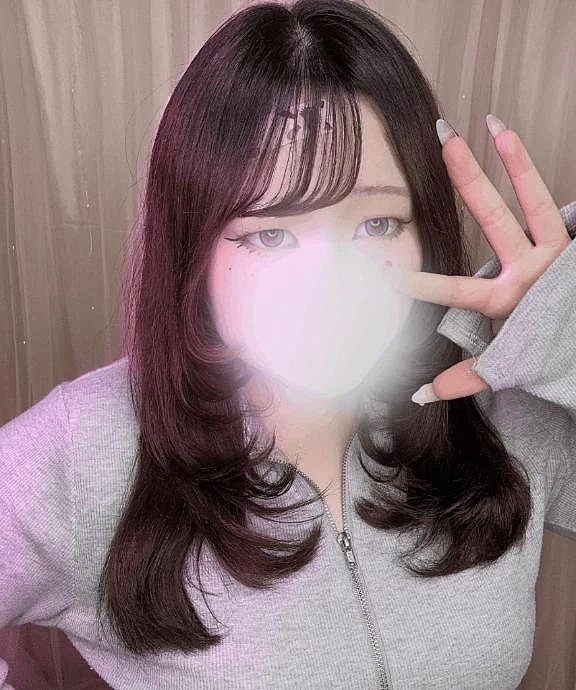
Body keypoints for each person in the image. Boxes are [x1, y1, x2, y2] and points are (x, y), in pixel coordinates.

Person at [1, 0, 574, 688]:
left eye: (378, 225)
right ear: (194, 251)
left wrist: (567, 346)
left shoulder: (500, 407)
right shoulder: (83, 451)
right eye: (270, 234)